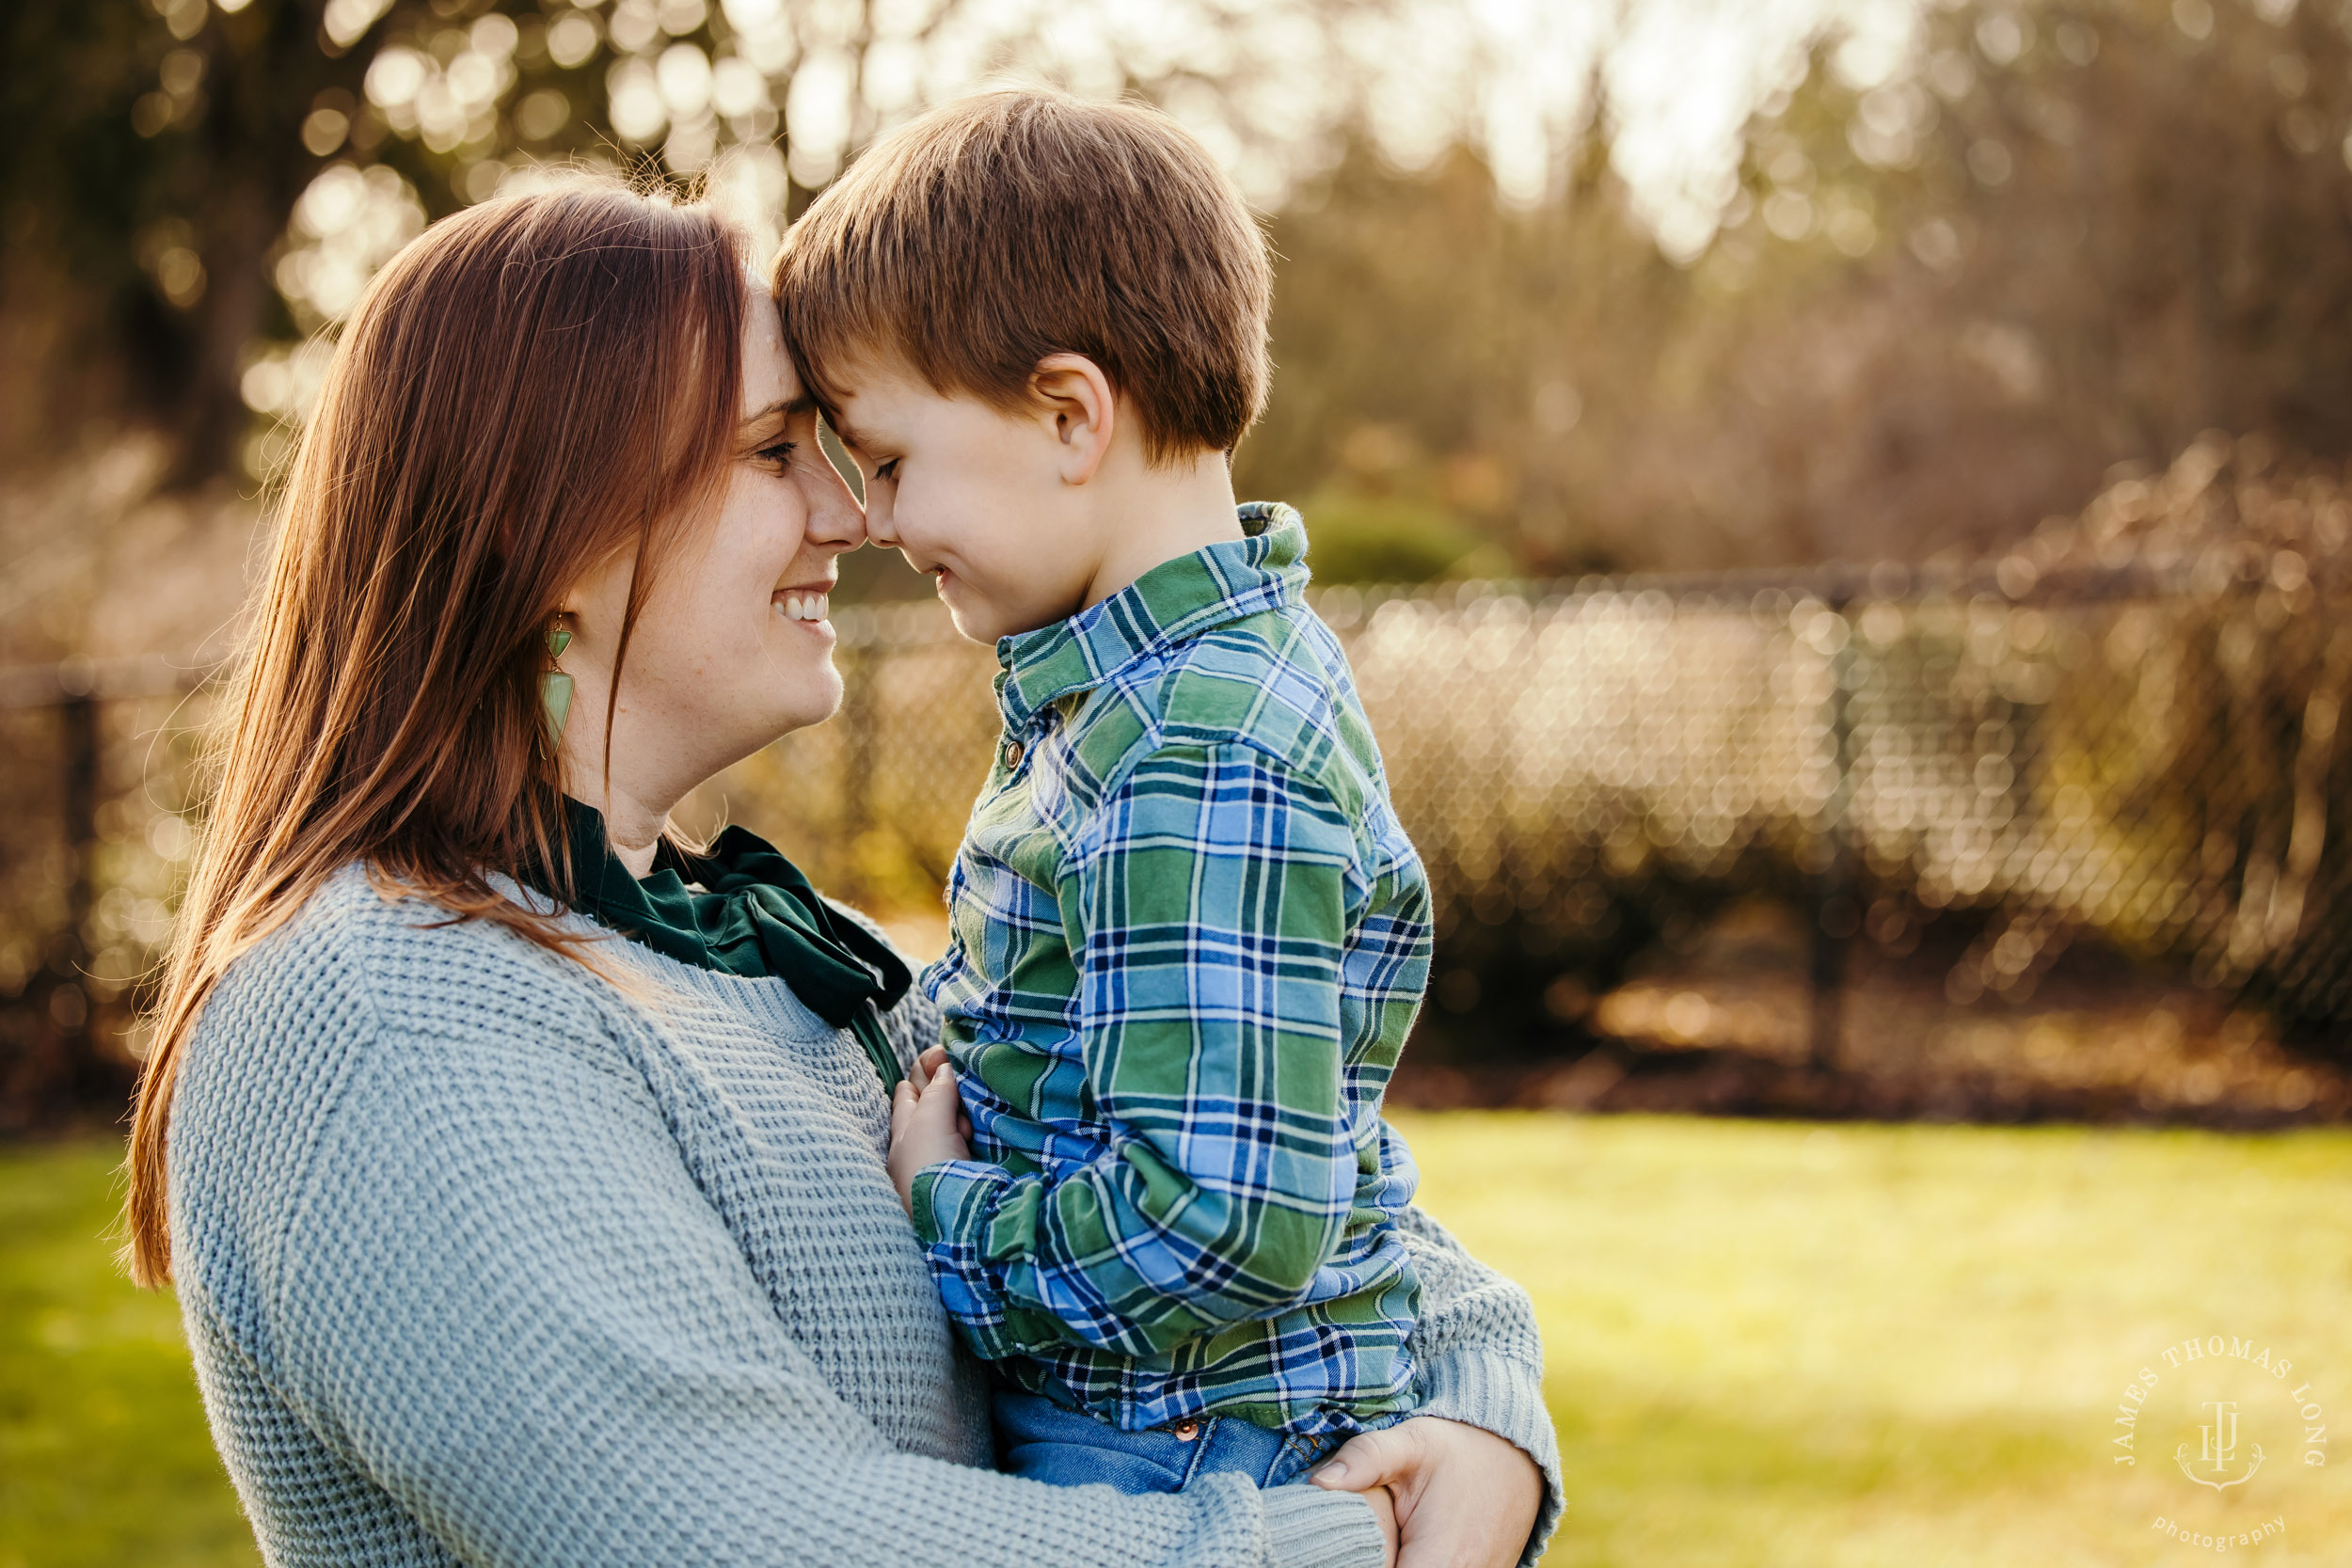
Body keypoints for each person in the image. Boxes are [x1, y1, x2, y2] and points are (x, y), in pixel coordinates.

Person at [120, 177, 1559, 1568]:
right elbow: (757, 1539)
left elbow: (1255, 1145)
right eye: (770, 451)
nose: (853, 513)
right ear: (546, 527)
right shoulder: (386, 1017)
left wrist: (1487, 1410)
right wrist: (1358, 1540)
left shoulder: (756, 954)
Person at [772, 84, 1549, 1541]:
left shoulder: (1198, 745)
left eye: (886, 460)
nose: (869, 519)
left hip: (1179, 1458)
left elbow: (1222, 1218)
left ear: (1068, 415)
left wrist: (947, 1212)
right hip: (1173, 1431)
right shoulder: (1145, 699)